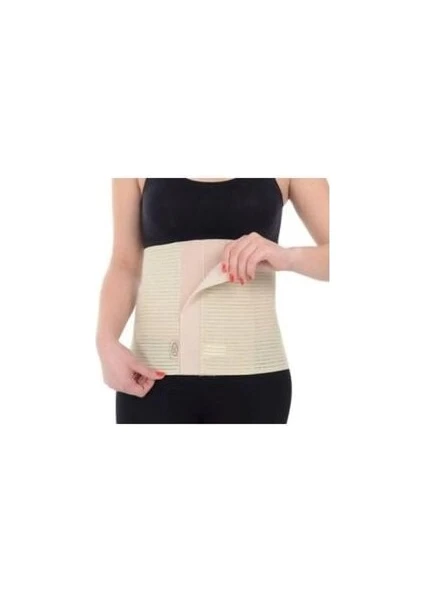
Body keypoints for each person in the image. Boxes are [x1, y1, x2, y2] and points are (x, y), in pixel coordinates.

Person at [96, 178, 329, 424]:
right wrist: (105, 341)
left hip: (255, 381)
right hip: (150, 378)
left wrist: (289, 257)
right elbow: (125, 264)